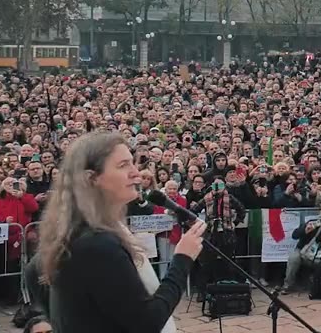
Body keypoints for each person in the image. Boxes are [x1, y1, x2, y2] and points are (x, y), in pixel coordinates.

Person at [40, 130, 207, 333]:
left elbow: (34, 273)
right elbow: (147, 322)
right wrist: (182, 259)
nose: (136, 173)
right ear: (92, 178)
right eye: (123, 165)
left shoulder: (83, 230)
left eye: (133, 162)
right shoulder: (97, 243)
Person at [280, 214, 321, 295]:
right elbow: (294, 235)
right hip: (303, 250)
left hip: (319, 254)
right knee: (293, 258)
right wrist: (304, 230)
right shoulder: (314, 224)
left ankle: (319, 284)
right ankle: (287, 285)